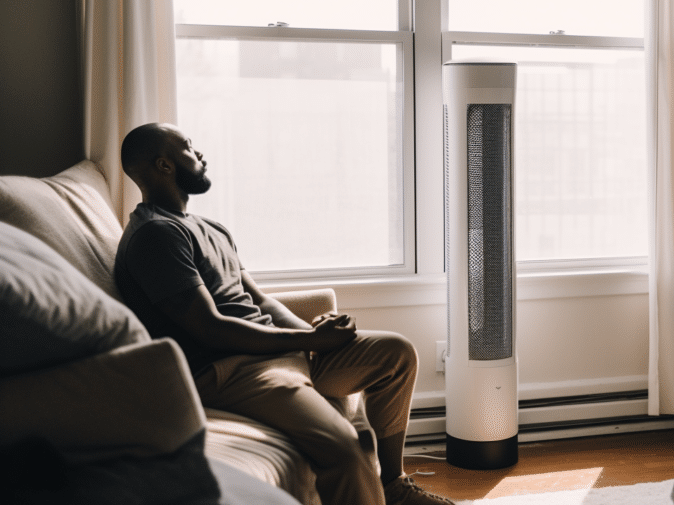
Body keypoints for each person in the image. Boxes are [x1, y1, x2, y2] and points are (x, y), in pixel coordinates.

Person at [114, 123, 454, 505]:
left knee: (396, 353)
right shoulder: (156, 236)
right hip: (234, 370)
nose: (200, 154)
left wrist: (317, 338)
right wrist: (309, 340)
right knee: (349, 447)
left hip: (275, 353)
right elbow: (211, 329)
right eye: (189, 148)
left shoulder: (211, 229)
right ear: (164, 165)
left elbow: (260, 300)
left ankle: (392, 485)